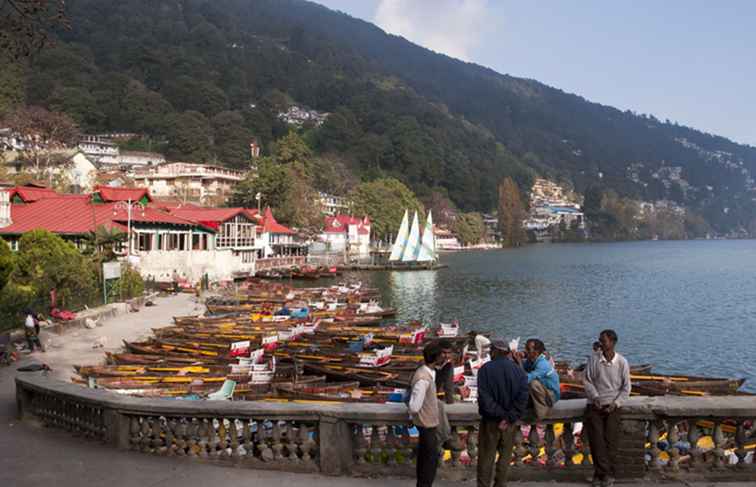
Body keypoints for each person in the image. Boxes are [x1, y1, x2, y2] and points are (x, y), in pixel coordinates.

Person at [477, 340, 529, 487]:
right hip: (510, 423)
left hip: (490, 422)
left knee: (486, 459)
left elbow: (485, 399)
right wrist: (508, 418)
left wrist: (501, 416)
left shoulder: (485, 370)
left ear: (494, 351)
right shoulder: (519, 371)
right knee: (505, 459)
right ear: (507, 353)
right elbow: (523, 398)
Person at [583, 329, 631, 487]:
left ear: (612, 342)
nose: (601, 344)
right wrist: (595, 397)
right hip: (595, 405)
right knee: (596, 442)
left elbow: (626, 388)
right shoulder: (594, 360)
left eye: (603, 341)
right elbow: (587, 381)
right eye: (600, 341)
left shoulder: (622, 362)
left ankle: (603, 474)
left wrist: (615, 404)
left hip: (613, 406)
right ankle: (603, 474)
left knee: (611, 442)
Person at [408, 342, 445, 487]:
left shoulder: (429, 373)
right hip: (426, 424)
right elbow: (414, 406)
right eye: (442, 355)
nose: (444, 357)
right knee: (429, 462)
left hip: (427, 423)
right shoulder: (423, 378)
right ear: (435, 357)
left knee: (426, 459)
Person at [513, 338, 560, 420]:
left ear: (536, 352)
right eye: (525, 348)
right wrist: (516, 359)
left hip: (552, 396)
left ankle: (542, 411)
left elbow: (525, 379)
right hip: (544, 390)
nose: (525, 351)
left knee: (533, 383)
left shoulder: (542, 364)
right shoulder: (531, 360)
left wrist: (519, 361)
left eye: (528, 349)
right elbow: (521, 369)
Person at [434, 339, 456, 448]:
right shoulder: (429, 362)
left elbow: (449, 386)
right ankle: (446, 438)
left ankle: (445, 439)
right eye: (443, 352)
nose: (446, 356)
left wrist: (450, 403)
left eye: (448, 353)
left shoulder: (448, 365)